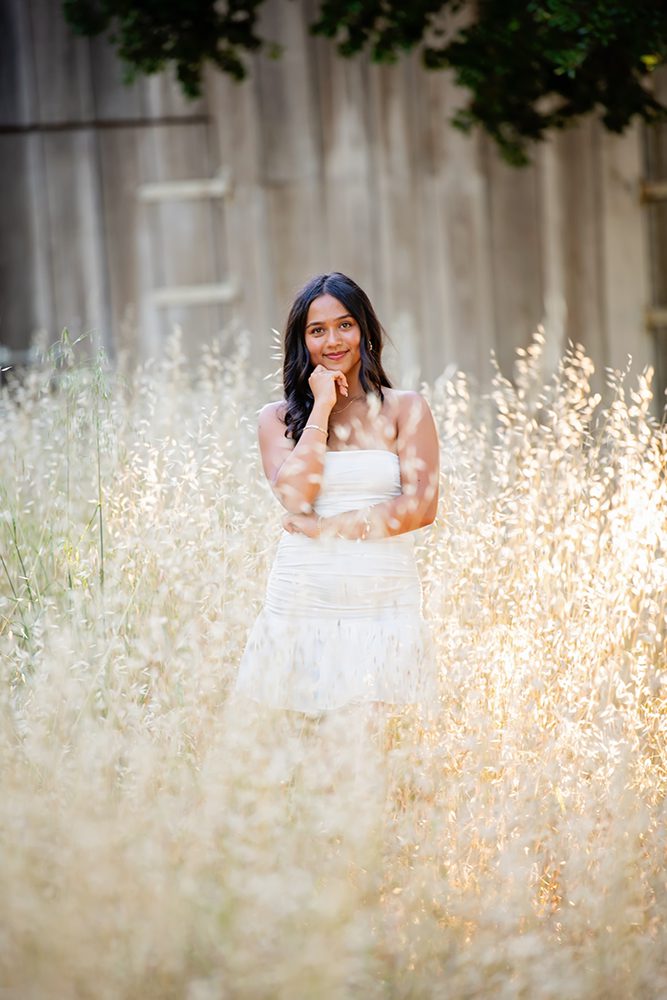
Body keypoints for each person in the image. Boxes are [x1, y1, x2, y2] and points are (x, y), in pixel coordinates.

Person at [233, 272, 440, 715]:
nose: (333, 340)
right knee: (296, 763)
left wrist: (328, 529)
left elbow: (422, 507)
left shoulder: (406, 408)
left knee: (380, 755)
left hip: (383, 604)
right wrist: (321, 408)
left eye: (345, 325)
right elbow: (296, 498)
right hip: (301, 603)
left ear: (364, 330)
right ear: (301, 342)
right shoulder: (275, 418)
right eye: (317, 330)